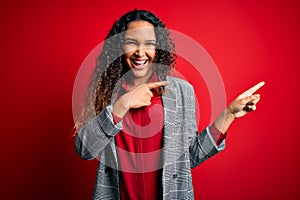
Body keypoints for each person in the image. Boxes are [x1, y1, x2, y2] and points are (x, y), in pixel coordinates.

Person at [74, 9, 265, 200]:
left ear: (158, 49)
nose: (140, 52)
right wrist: (121, 106)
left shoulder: (182, 92)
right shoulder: (107, 91)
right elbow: (85, 150)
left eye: (149, 44)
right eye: (132, 43)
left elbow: (190, 156)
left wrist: (229, 114)